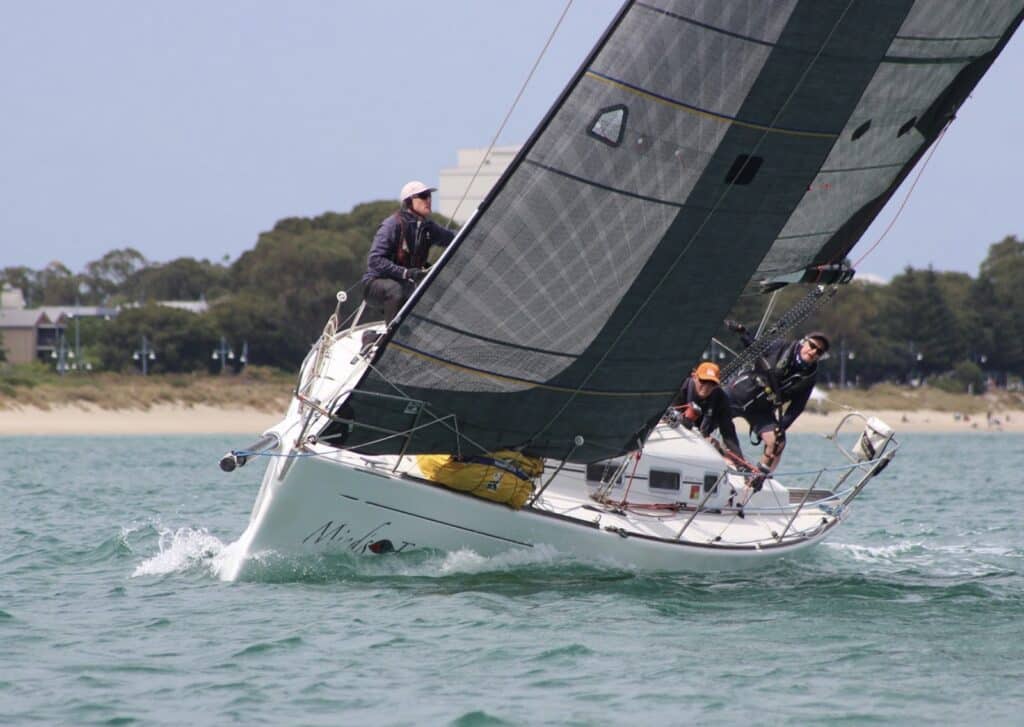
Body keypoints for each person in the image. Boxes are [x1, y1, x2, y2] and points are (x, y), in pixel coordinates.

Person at [725, 328, 830, 472]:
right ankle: (724, 459)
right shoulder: (781, 346)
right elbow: (755, 347)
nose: (813, 352)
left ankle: (758, 479)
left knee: (777, 443)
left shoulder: (809, 377)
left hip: (762, 410)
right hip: (739, 393)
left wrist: (782, 426)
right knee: (706, 415)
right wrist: (743, 333)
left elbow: (797, 407)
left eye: (819, 352)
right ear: (804, 342)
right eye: (812, 346)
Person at [362, 180, 455, 323]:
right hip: (375, 286)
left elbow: (453, 238)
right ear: (409, 201)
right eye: (423, 196)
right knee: (396, 289)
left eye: (429, 195)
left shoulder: (428, 227)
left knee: (436, 291)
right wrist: (405, 273)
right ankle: (390, 337)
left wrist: (478, 232)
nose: (429, 200)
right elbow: (375, 260)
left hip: (406, 285)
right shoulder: (392, 224)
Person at [666, 361, 743, 459]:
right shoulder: (679, 388)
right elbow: (667, 418)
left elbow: (728, 433)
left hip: (701, 445)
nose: (707, 387)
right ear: (694, 376)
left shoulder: (721, 398)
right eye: (703, 381)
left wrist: (740, 461)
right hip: (673, 437)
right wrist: (700, 438)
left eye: (712, 383)